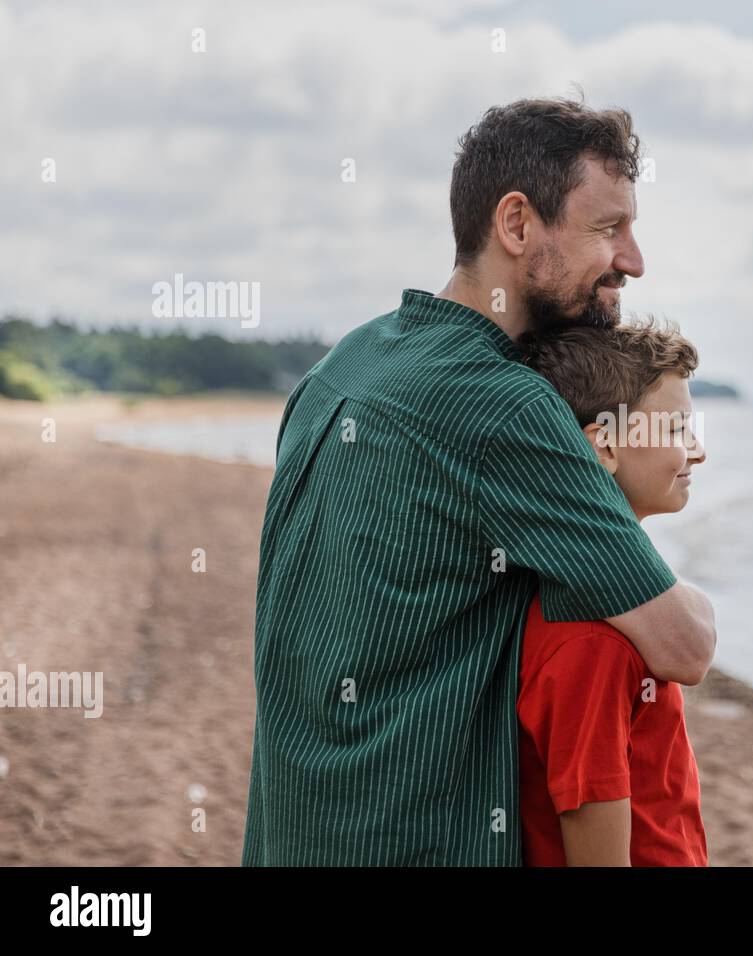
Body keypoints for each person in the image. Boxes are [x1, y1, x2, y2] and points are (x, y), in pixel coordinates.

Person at [241, 96, 715, 866]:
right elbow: (684, 646)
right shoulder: (505, 406)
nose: (633, 260)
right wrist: (680, 592)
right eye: (608, 228)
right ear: (518, 224)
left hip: (287, 835)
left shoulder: (344, 365)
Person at [515, 317, 709, 866]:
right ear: (604, 448)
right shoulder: (592, 643)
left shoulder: (622, 618)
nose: (697, 452)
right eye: (675, 430)